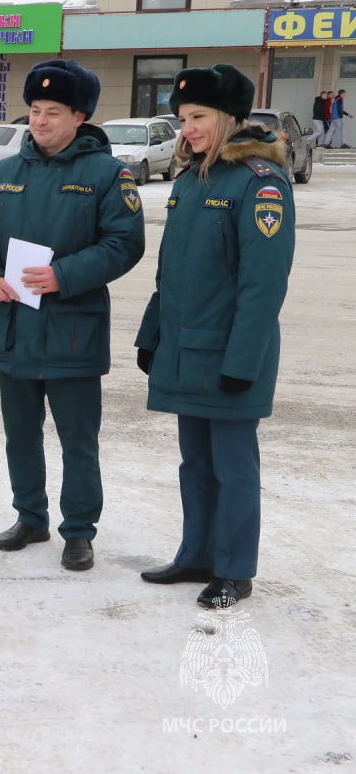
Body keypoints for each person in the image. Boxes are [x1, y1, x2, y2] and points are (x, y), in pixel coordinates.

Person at [0, 58, 145, 572]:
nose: (40, 121)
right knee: (20, 434)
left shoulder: (108, 175)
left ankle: (79, 531)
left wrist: (64, 275)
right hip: (14, 328)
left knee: (77, 441)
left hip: (72, 333)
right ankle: (30, 516)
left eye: (53, 112)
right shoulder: (4, 174)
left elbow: (125, 244)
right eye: (35, 111)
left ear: (80, 117)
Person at [135, 63, 295, 609]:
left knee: (233, 466)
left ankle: (234, 569)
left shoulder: (260, 183)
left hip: (228, 356)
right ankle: (196, 555)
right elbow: (172, 272)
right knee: (195, 464)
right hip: (185, 350)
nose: (188, 128)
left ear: (229, 117)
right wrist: (151, 334)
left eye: (198, 117)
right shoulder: (190, 179)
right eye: (183, 118)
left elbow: (263, 285)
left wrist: (242, 362)